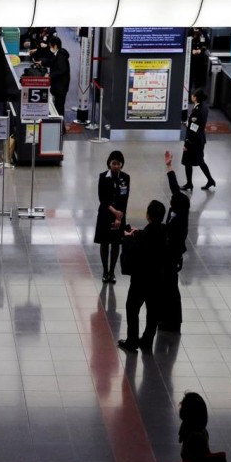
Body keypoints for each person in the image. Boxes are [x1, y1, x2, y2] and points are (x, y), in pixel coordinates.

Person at [117, 200, 166, 353]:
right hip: (157, 278)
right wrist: (137, 233)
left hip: (141, 279)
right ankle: (147, 340)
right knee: (152, 311)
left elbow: (135, 253)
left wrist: (128, 239)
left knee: (132, 308)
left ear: (148, 215)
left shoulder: (144, 236)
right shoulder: (164, 231)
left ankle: (132, 341)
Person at [160, 151, 190, 334]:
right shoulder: (177, 209)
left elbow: (173, 241)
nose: (170, 201)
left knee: (171, 289)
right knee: (166, 288)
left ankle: (174, 321)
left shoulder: (179, 221)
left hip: (172, 257)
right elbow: (175, 188)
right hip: (168, 256)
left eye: (172, 202)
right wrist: (169, 166)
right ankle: (165, 317)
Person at [93, 150, 130, 284]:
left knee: (115, 244)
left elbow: (125, 198)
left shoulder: (126, 177)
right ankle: (104, 271)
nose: (116, 166)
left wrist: (119, 217)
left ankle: (112, 272)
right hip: (105, 214)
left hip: (120, 216)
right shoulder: (103, 177)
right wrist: (114, 212)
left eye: (118, 164)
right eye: (114, 163)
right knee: (104, 243)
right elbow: (102, 198)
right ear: (109, 164)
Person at [181, 87, 216, 191]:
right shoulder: (204, 108)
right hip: (200, 139)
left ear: (195, 98)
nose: (191, 96)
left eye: (192, 95)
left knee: (188, 161)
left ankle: (189, 183)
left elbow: (193, 129)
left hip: (193, 141)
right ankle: (210, 180)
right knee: (200, 161)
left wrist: (187, 143)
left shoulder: (196, 111)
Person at [44, 35, 70, 120]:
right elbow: (52, 62)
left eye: (50, 46)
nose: (50, 48)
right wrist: (42, 62)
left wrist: (50, 75)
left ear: (55, 46)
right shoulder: (57, 54)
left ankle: (60, 127)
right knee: (58, 106)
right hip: (58, 85)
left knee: (59, 107)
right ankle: (59, 125)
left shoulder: (61, 55)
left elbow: (62, 69)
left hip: (61, 86)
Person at [189, 27, 210, 93]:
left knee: (198, 78)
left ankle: (196, 95)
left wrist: (201, 50)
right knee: (190, 78)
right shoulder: (188, 31)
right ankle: (188, 95)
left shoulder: (203, 32)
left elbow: (207, 43)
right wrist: (191, 50)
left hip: (200, 59)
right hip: (190, 58)